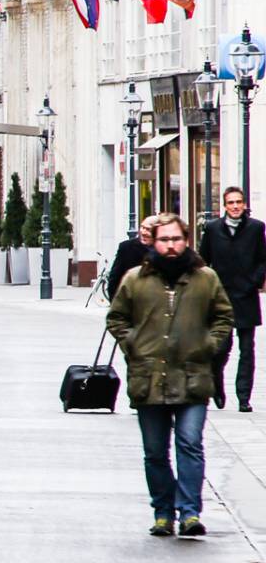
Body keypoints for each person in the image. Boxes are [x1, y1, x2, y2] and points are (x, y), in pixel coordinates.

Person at [108, 212, 233, 538]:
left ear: (186, 240)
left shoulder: (205, 278)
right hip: (149, 377)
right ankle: (163, 512)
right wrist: (133, 344)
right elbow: (116, 317)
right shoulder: (136, 279)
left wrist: (210, 344)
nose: (171, 245)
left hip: (193, 375)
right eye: (164, 239)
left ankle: (190, 512)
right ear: (153, 242)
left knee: (190, 444)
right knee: (155, 451)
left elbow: (223, 316)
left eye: (176, 239)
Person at [199, 188, 266, 412]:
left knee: (247, 350)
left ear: (244, 204)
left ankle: (244, 397)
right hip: (221, 296)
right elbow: (203, 261)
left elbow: (262, 260)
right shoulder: (212, 228)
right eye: (231, 203)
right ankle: (216, 383)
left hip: (246, 295)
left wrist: (254, 282)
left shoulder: (256, 228)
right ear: (224, 206)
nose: (235, 206)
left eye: (239, 202)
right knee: (220, 348)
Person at [107, 216, 157, 299]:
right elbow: (114, 280)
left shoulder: (164, 250)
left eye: (148, 229)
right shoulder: (127, 248)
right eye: (142, 227)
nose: (143, 232)